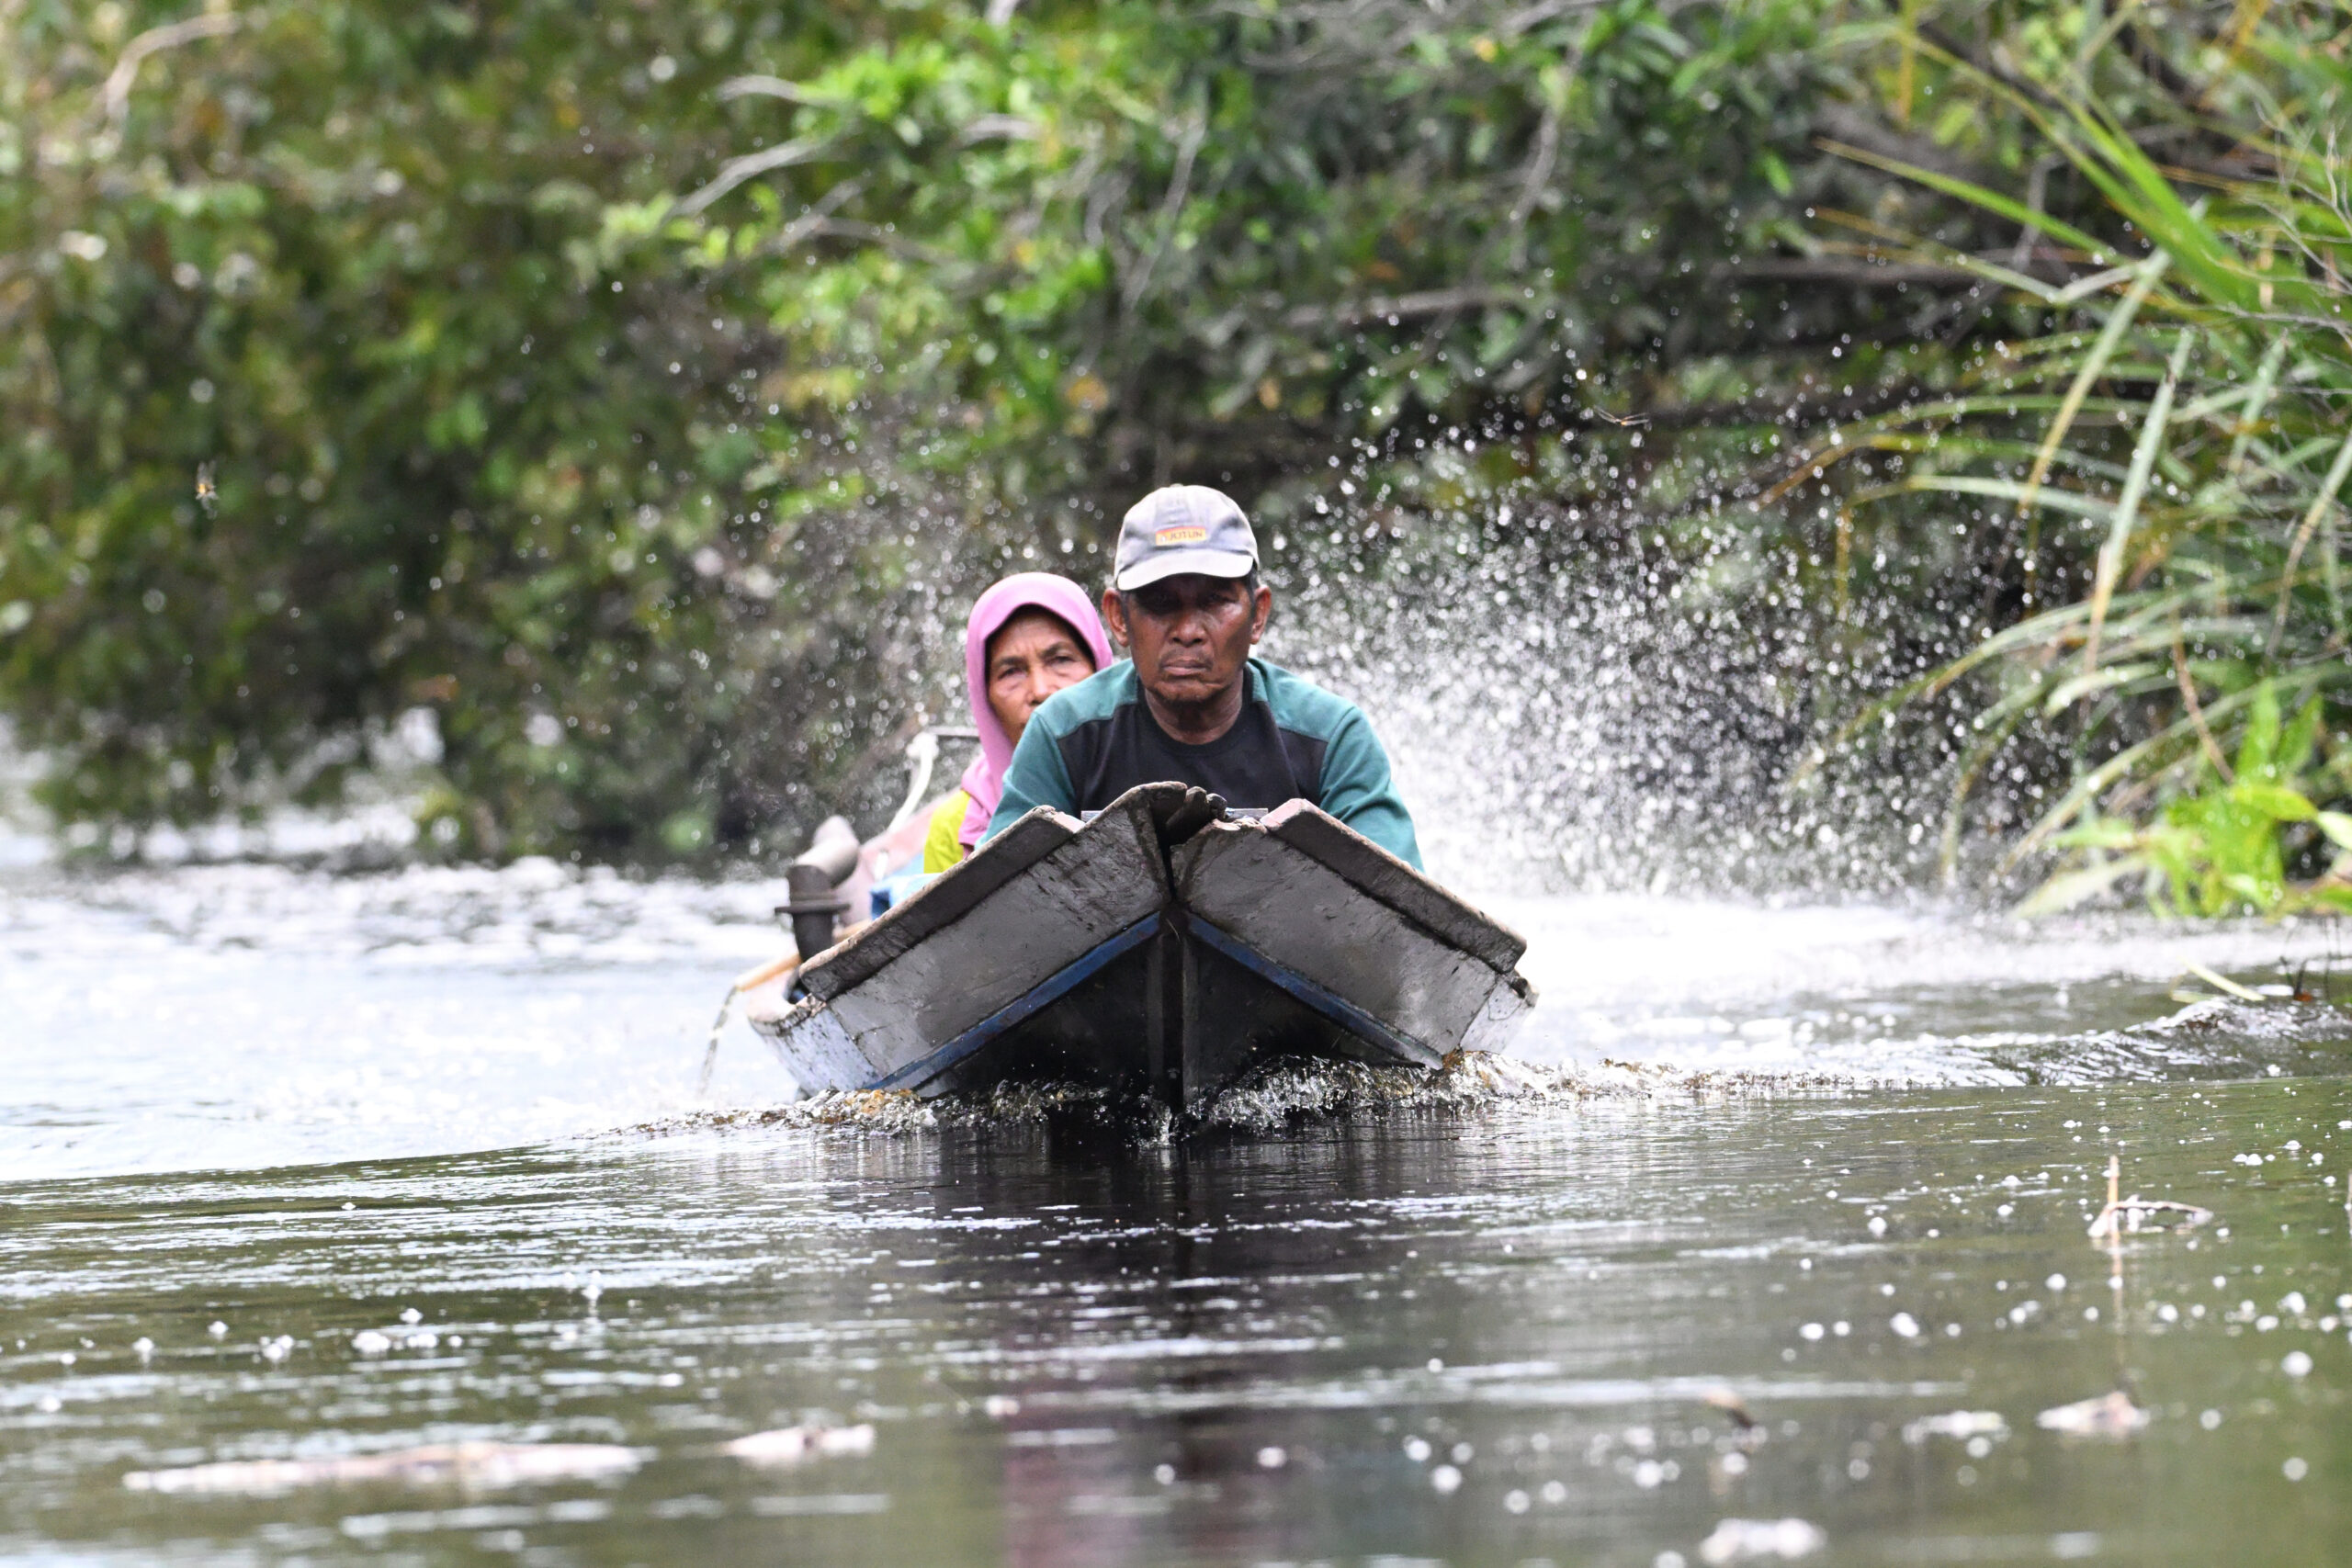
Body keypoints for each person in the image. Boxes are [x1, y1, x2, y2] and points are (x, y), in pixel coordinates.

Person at [982, 485, 1422, 867]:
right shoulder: (1065, 735)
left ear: (1258, 615)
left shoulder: (1330, 738)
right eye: (1159, 603)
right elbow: (993, 904)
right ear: (1118, 618)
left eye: (1214, 601)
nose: (1188, 631)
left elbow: (1398, 904)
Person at [922, 573, 1115, 873]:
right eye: (1011, 672)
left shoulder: (1151, 773)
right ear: (984, 698)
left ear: (1099, 666)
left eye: (1061, 660)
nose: (1041, 691)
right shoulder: (956, 826)